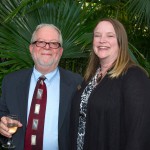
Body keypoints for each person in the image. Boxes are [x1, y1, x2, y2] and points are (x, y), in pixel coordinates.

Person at [69, 18, 150, 150]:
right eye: (97, 35)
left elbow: (140, 132)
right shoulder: (90, 77)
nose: (102, 40)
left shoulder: (134, 77)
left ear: (120, 41)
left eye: (110, 35)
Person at [0, 23, 82, 150]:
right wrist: (2, 125)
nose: (47, 47)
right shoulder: (11, 82)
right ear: (31, 48)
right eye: (41, 42)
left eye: (54, 43)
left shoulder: (77, 83)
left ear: (60, 51)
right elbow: (2, 114)